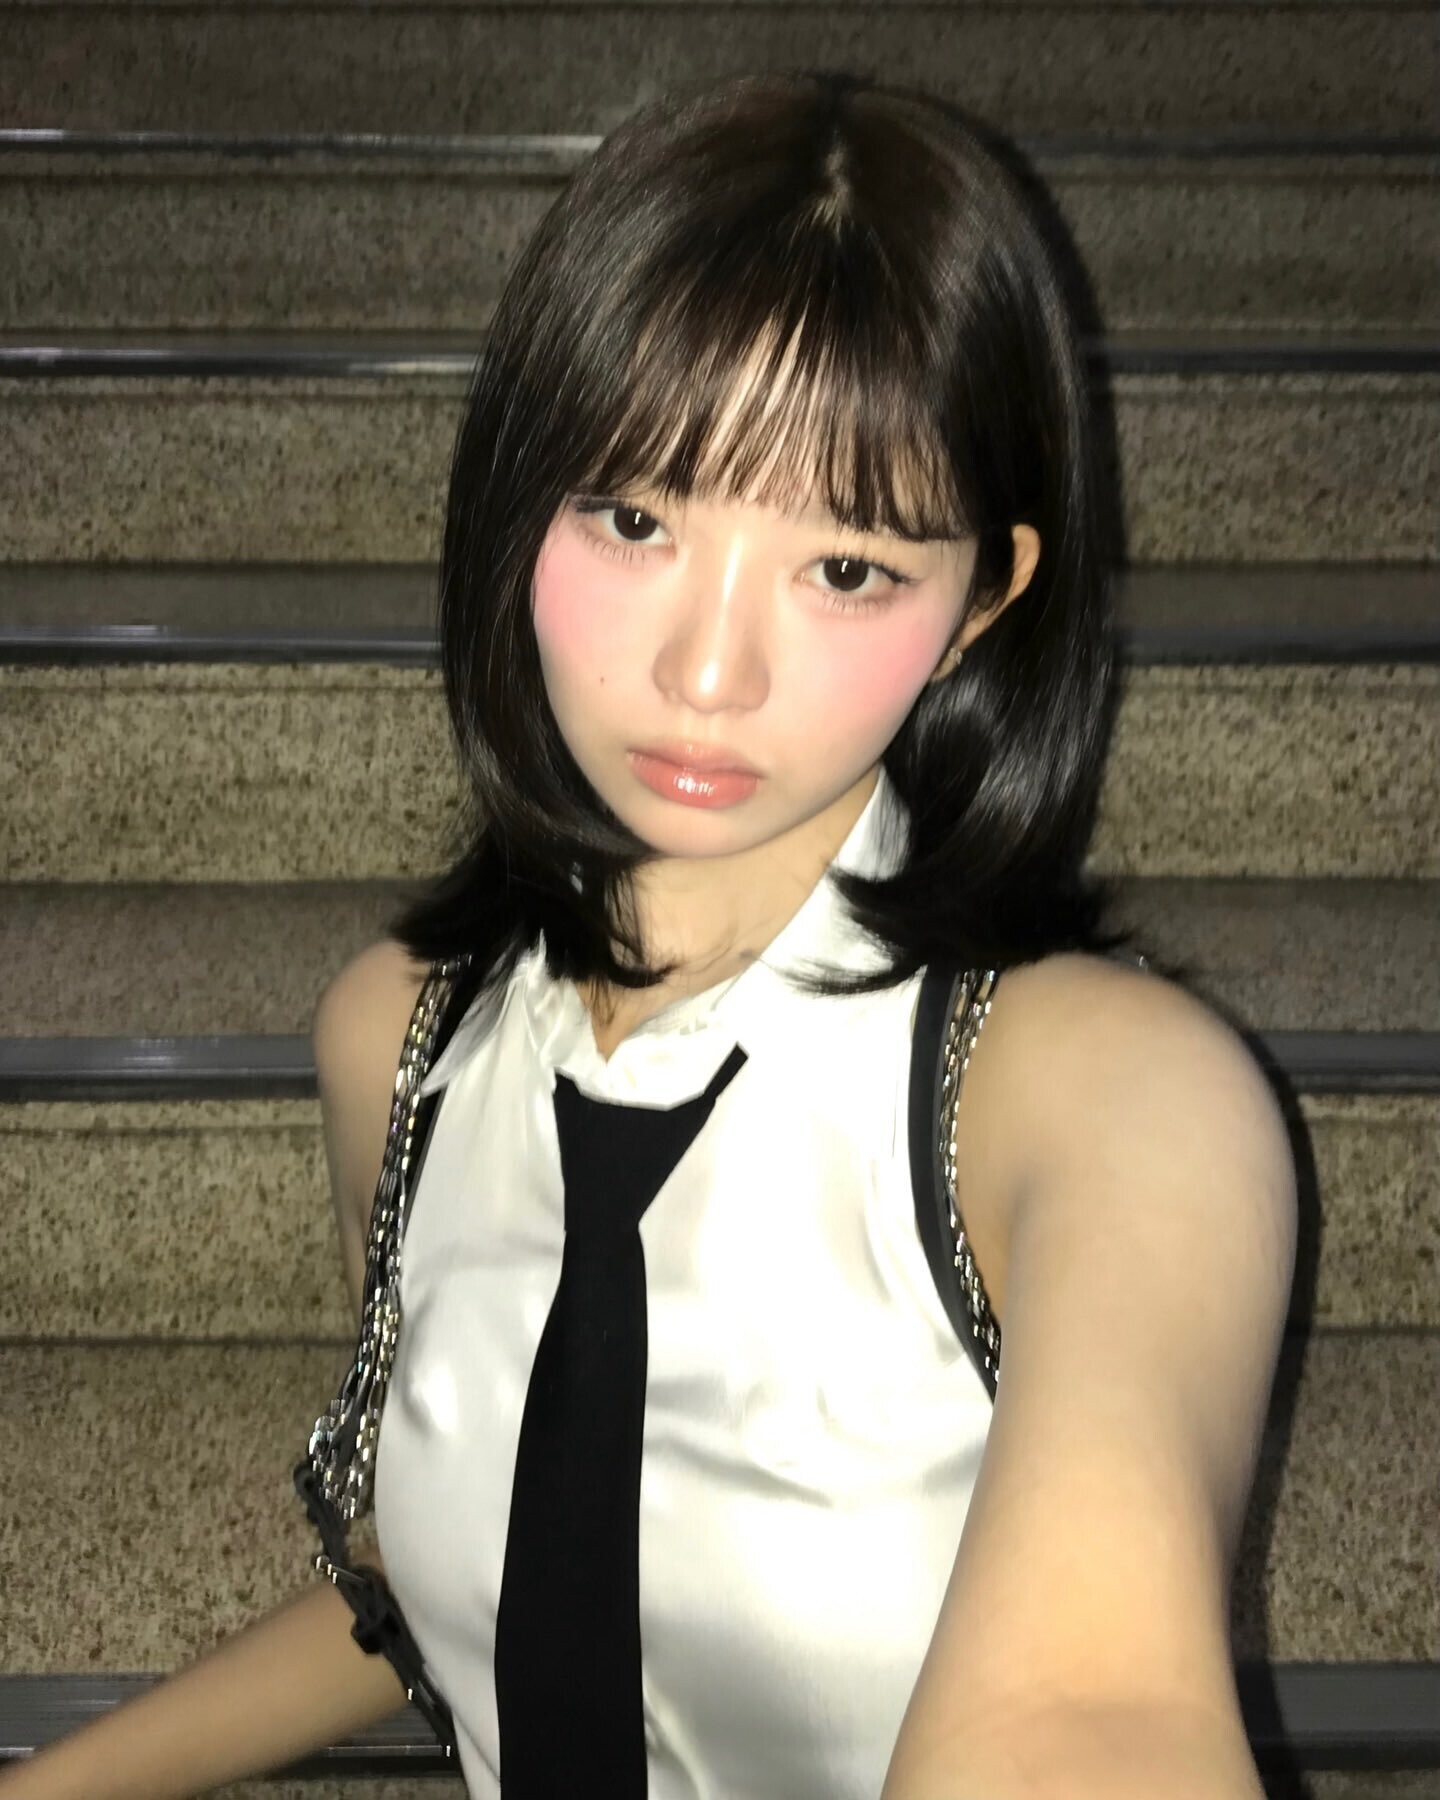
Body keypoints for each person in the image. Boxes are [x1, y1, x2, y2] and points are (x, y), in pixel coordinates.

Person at [3, 67, 1296, 1800]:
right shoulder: (401, 1042)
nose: (706, 671)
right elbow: (443, 1582)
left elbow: (1095, 1713)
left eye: (846, 568)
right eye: (634, 519)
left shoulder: (1098, 1098)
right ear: (515, 504)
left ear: (982, 600)